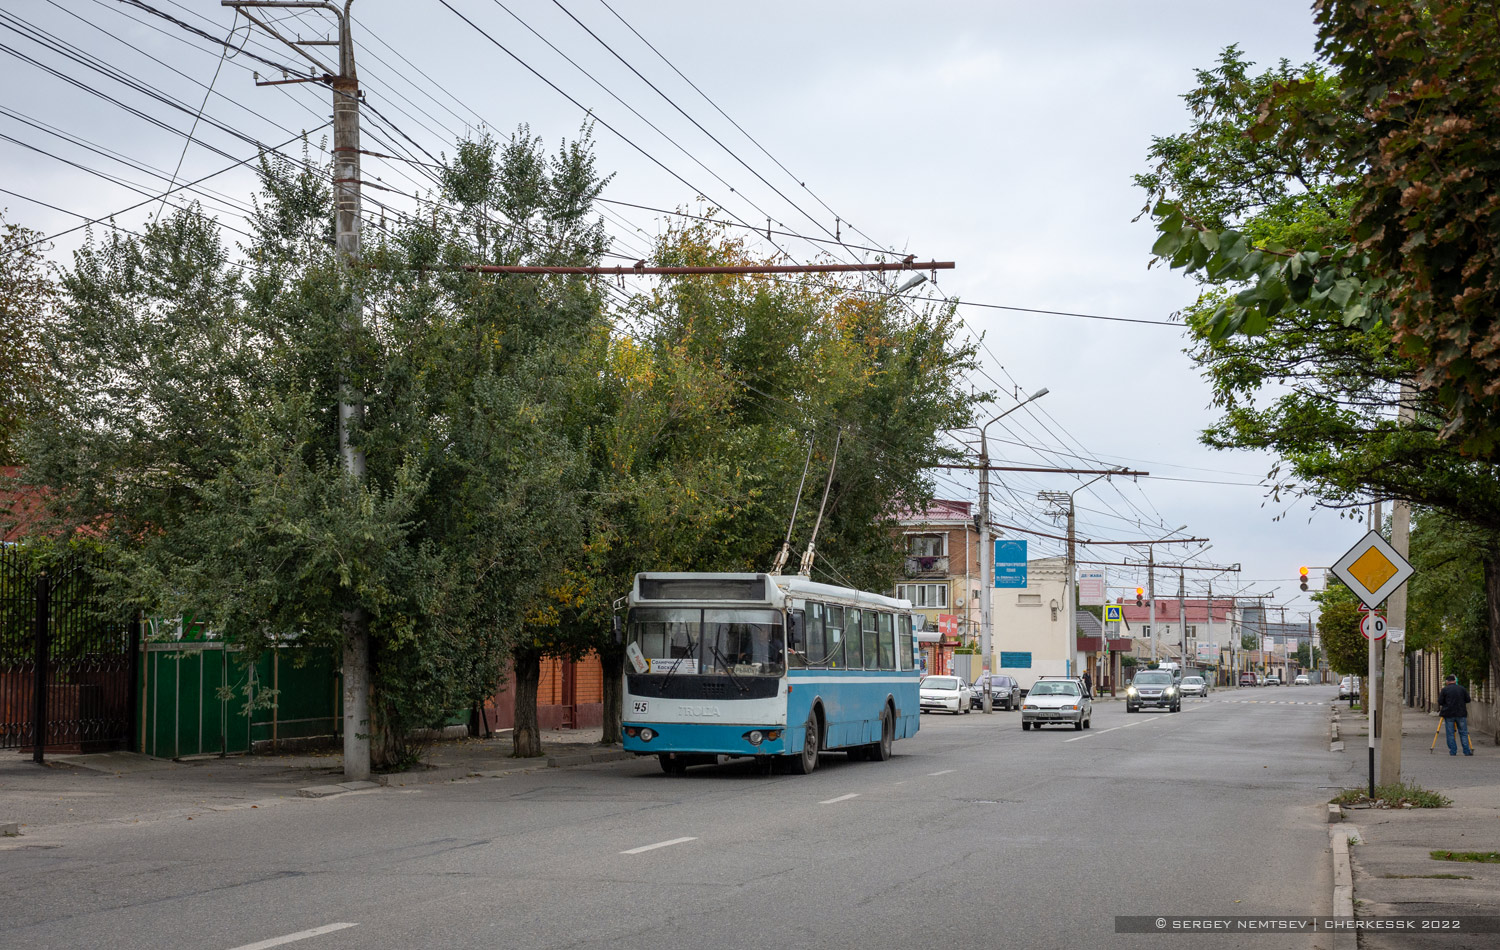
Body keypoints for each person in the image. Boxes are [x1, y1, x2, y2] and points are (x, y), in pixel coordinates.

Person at [1438, 673, 1473, 756]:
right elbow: (1468, 699)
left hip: (1448, 714)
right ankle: (1466, 751)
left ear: (1447, 682)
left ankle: (1453, 751)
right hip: (1461, 713)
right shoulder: (1462, 689)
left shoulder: (1445, 690)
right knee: (1463, 732)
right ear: (1454, 681)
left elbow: (1440, 702)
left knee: (1450, 733)